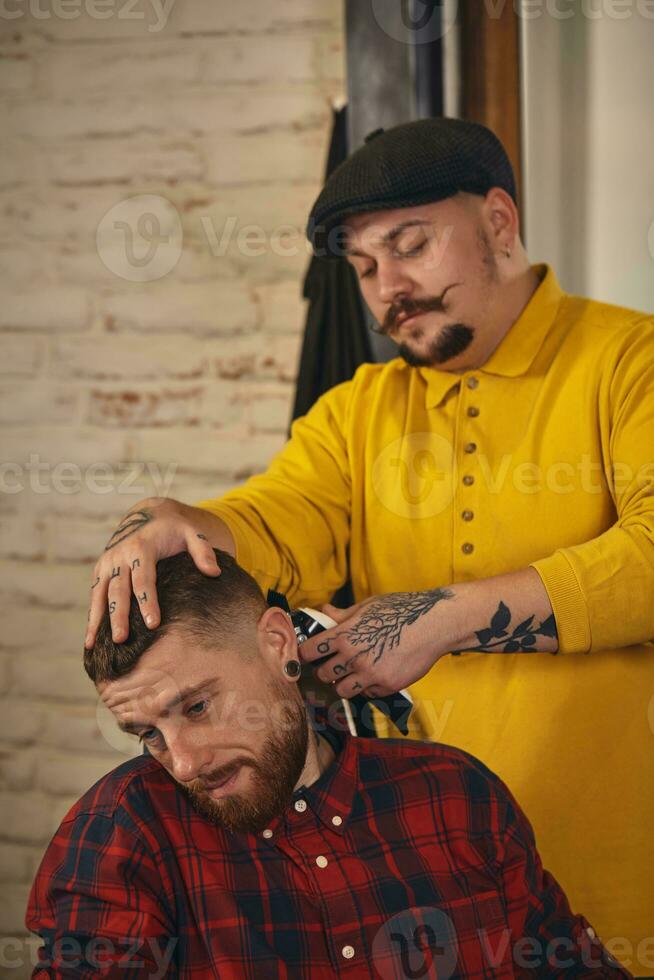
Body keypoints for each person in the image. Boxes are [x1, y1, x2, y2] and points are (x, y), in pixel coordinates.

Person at [83, 118, 654, 970]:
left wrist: (445, 616)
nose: (389, 287)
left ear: (500, 222)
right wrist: (182, 521)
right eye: (363, 267)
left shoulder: (628, 360)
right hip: (431, 890)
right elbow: (280, 518)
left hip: (620, 877)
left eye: (411, 246)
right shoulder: (360, 410)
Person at [29, 551, 629, 979]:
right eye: (147, 734)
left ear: (278, 643)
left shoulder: (456, 795)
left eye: (198, 706)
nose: (183, 763)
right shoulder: (124, 830)